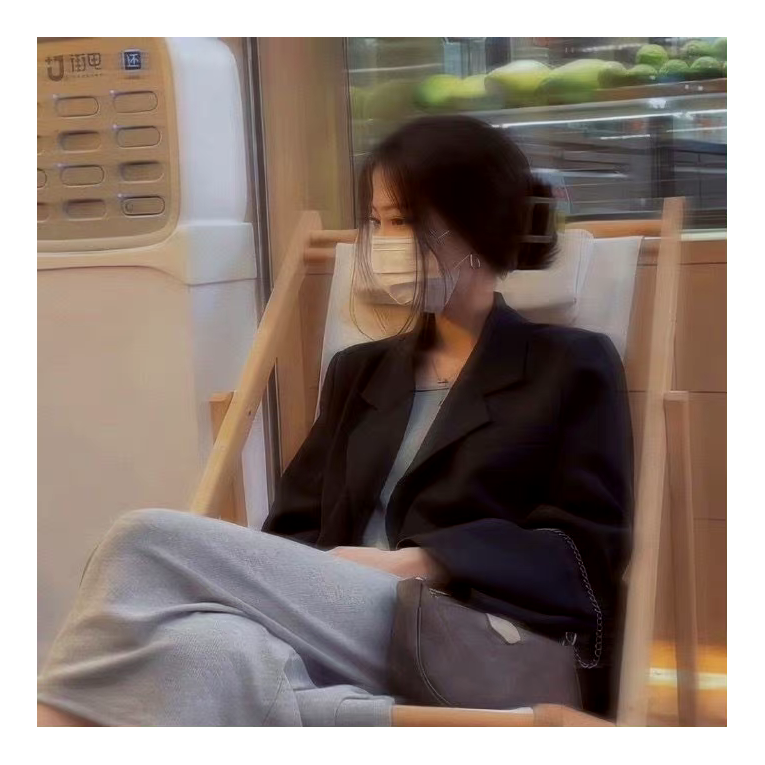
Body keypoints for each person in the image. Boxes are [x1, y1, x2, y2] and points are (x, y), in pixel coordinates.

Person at [37, 115, 632, 727]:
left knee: (143, 540)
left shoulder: (569, 364)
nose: (384, 241)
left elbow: (586, 546)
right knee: (211, 650)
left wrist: (422, 562)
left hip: (469, 629)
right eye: (377, 222)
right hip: (342, 625)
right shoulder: (360, 371)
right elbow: (292, 529)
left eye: (404, 220)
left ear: (477, 221)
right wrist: (316, 580)